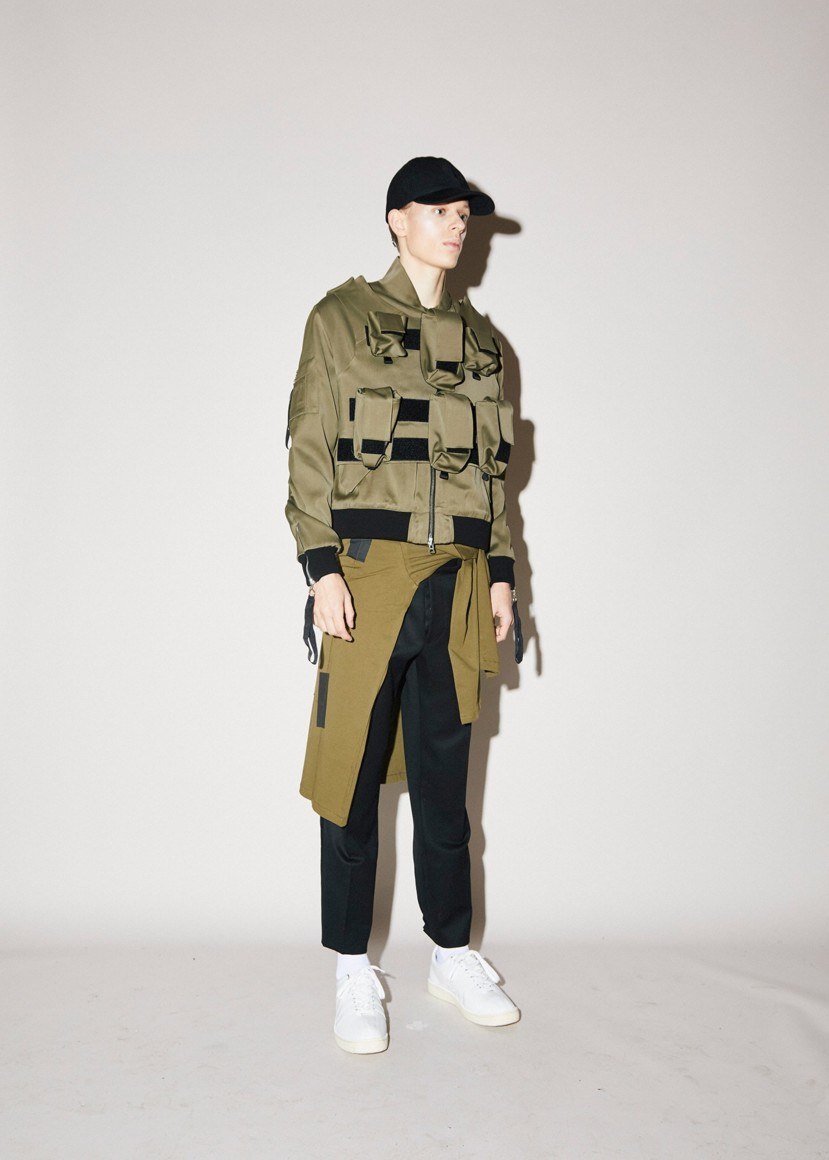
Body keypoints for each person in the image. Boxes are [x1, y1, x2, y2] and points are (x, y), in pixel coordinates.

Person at [285, 156, 522, 1054]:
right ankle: (352, 966)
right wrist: (321, 569)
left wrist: (500, 575)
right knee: (348, 782)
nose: (457, 224)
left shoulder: (483, 343)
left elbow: (494, 478)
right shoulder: (339, 319)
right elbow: (309, 449)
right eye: (438, 210)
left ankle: (450, 952)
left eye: (464, 213)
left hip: (457, 584)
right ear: (396, 219)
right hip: (367, 577)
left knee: (444, 788)